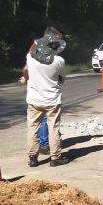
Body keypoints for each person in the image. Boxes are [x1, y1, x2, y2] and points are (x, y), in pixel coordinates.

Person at [25, 27, 69, 167]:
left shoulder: (30, 57)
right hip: (52, 100)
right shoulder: (59, 61)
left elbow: (26, 72)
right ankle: (55, 158)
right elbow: (62, 78)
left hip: (33, 99)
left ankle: (33, 157)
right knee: (53, 128)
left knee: (32, 128)